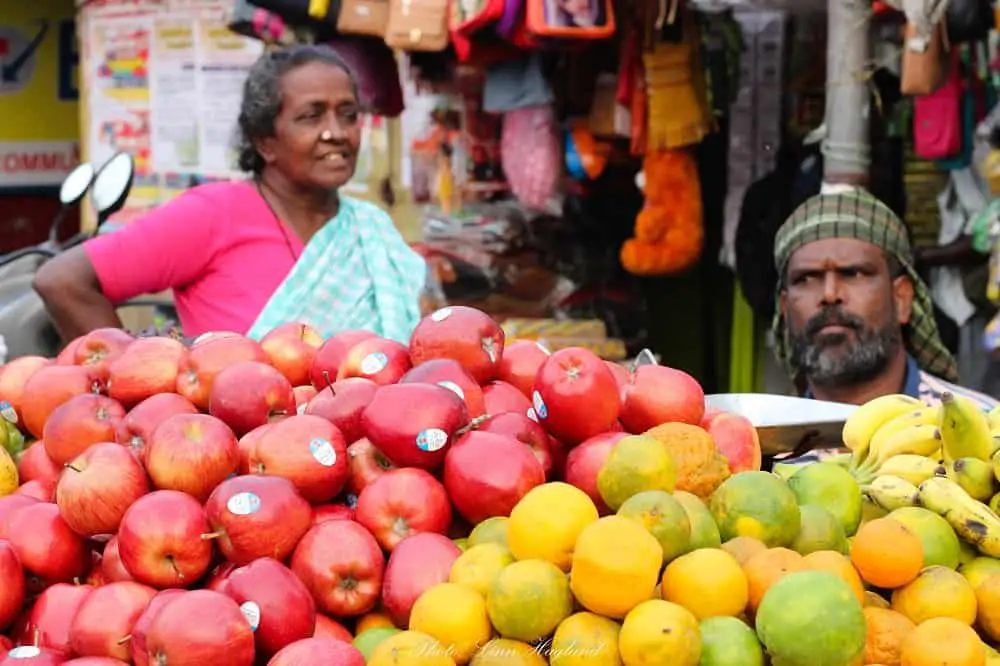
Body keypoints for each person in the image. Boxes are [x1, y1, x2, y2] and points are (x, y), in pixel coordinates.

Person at [33, 45, 427, 344]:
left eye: (347, 113)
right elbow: (63, 280)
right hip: (239, 446)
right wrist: (135, 389)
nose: (337, 132)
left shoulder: (369, 227)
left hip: (364, 446)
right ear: (265, 140)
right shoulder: (214, 214)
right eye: (311, 115)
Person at [771, 187, 998, 411]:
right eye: (806, 279)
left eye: (853, 273)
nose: (830, 294)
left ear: (902, 298)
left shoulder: (985, 433)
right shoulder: (764, 441)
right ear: (785, 308)